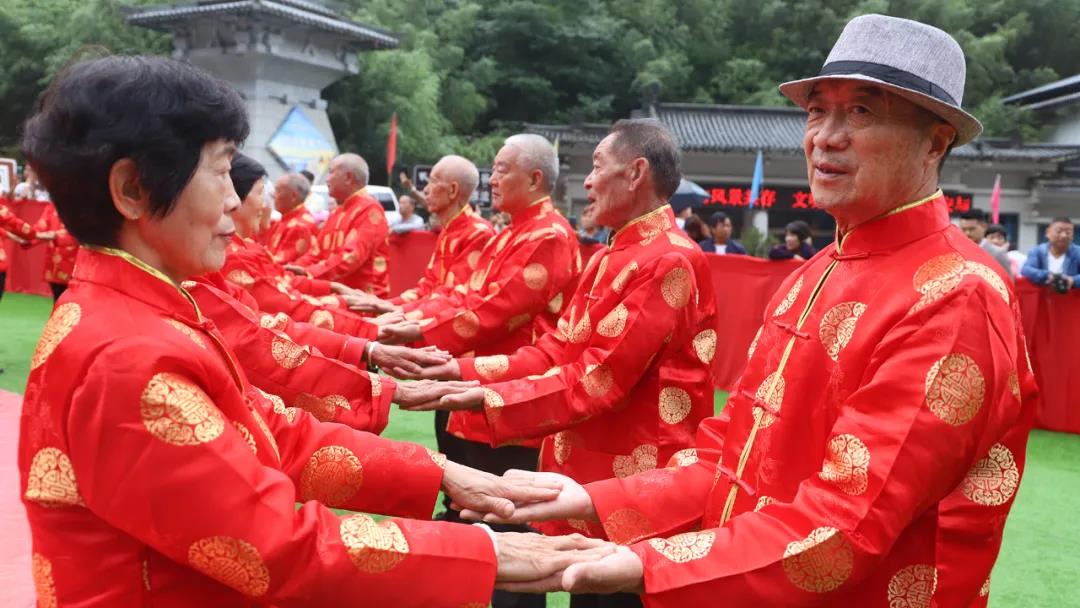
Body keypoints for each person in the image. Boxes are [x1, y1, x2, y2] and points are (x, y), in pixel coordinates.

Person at [466, 15, 1038, 605]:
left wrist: (646, 563)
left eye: (862, 112)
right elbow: (731, 453)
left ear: (935, 142)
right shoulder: (812, 275)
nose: (826, 137)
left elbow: (846, 524)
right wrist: (593, 499)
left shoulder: (955, 294)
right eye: (817, 111)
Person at [19, 55, 613, 607]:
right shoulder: (127, 356)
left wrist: (436, 471)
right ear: (132, 189)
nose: (235, 202)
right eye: (221, 172)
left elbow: (274, 430)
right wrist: (485, 551)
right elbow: (270, 543)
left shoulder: (144, 315)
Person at [405, 119, 719, 608]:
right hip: (593, 472)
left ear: (635, 173)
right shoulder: (611, 255)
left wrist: (483, 394)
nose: (586, 182)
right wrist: (461, 376)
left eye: (596, 167)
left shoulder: (668, 260)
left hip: (638, 484)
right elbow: (557, 350)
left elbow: (597, 379)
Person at [380, 134, 581, 608]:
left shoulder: (548, 235)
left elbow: (495, 310)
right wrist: (406, 322)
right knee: (474, 515)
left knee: (508, 524)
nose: (492, 179)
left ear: (534, 178)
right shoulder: (512, 232)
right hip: (476, 384)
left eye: (502, 169)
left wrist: (415, 332)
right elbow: (462, 297)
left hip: (514, 398)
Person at [286, 153, 392, 297]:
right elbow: (315, 254)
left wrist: (307, 273)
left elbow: (350, 257)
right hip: (335, 296)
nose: (327, 179)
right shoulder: (337, 212)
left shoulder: (369, 209)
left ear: (348, 177)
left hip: (363, 300)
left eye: (331, 172)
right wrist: (290, 272)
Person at [29, 201, 79, 301]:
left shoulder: (82, 207)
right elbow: (40, 228)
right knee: (58, 299)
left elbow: (79, 233)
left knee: (73, 303)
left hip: (76, 265)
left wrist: (54, 235)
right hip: (54, 265)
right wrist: (25, 234)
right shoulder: (52, 206)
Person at [264, 172, 317, 265]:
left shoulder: (300, 226)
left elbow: (281, 263)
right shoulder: (285, 219)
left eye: (277, 191)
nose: (273, 195)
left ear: (293, 196)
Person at [1021, 217, 1080, 292]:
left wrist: (1072, 280)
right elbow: (1026, 269)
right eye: (1059, 231)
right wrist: (1048, 276)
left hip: (1071, 298)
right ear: (1047, 233)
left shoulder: (1077, 252)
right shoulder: (1037, 251)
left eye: (1068, 232)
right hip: (1042, 297)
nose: (1064, 235)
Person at [960, 209, 1013, 278]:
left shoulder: (998, 253)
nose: (967, 233)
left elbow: (1008, 280)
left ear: (984, 226)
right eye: (964, 229)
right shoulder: (959, 252)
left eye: (972, 229)